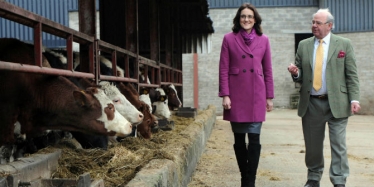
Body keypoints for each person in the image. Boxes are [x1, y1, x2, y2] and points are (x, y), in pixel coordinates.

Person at [287, 9, 360, 187]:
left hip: (338, 103)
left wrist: (354, 99)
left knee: (338, 145)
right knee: (312, 146)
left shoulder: (344, 44)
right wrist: (296, 73)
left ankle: (339, 180)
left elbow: (352, 74)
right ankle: (313, 178)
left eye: (318, 23)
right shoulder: (304, 45)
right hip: (311, 103)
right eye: (313, 22)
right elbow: (301, 74)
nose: (314, 26)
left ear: (329, 25)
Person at [218, 3, 274, 187]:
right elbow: (223, 68)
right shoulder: (228, 39)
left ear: (255, 19)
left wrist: (269, 97)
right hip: (236, 94)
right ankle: (244, 177)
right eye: (243, 16)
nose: (246, 19)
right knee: (239, 139)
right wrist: (225, 94)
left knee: (255, 137)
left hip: (257, 94)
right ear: (238, 19)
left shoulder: (264, 40)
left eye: (250, 16)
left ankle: (250, 181)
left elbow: (268, 70)